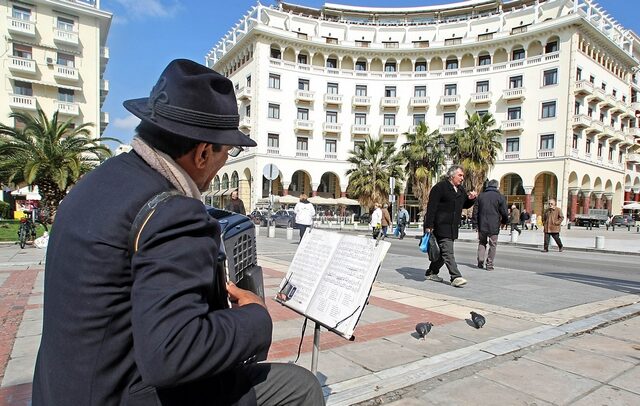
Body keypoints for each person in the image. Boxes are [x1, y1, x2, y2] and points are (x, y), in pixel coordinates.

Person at [32, 59, 324, 406]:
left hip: (63, 389)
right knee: (299, 386)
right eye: (225, 152)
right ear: (202, 152)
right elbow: (173, 352)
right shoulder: (173, 211)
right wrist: (255, 318)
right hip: (120, 395)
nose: (221, 166)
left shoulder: (97, 183)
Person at [423, 165, 477, 288]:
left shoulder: (460, 190)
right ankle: (455, 277)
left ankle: (431, 272)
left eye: (462, 175)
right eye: (460, 175)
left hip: (452, 227)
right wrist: (429, 225)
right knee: (448, 252)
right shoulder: (440, 188)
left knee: (442, 254)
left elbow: (464, 204)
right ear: (452, 175)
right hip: (440, 225)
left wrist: (471, 199)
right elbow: (432, 207)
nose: (462, 178)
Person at [472, 179, 508, 271]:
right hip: (494, 225)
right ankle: (489, 264)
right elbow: (504, 212)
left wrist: (475, 224)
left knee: (482, 242)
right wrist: (504, 222)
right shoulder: (500, 197)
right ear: (497, 186)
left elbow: (475, 211)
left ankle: (480, 261)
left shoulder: (481, 196)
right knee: (493, 244)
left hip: (482, 225)